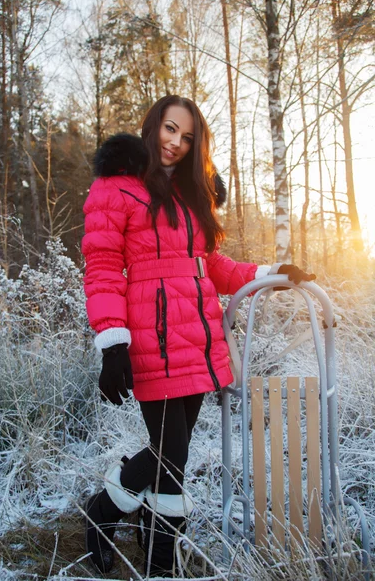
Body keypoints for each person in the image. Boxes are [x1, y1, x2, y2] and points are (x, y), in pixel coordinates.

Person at [81, 95, 315, 577]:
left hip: (199, 335)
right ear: (152, 126)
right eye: (169, 129)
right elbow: (103, 266)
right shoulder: (117, 187)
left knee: (175, 455)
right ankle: (105, 515)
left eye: (187, 138)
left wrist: (270, 273)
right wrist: (113, 341)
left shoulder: (193, 193)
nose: (175, 143)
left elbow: (214, 267)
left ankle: (155, 552)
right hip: (151, 333)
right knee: (171, 449)